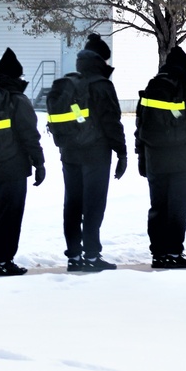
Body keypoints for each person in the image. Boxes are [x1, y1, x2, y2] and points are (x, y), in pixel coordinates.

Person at [135, 46, 186, 269]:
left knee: (158, 207)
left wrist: (141, 157)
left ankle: (158, 254)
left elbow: (140, 126)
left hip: (156, 160)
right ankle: (173, 252)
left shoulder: (151, 89)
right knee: (178, 208)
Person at [53, 34, 127, 272]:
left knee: (72, 204)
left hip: (69, 153)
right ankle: (92, 256)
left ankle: (73, 256)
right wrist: (121, 152)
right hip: (95, 153)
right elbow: (111, 122)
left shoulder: (69, 83)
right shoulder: (102, 85)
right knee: (93, 205)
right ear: (100, 60)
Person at [0, 48, 45, 277]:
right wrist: (39, 163)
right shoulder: (17, 100)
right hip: (12, 168)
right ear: (15, 77)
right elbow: (29, 136)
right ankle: (5, 260)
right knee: (9, 216)